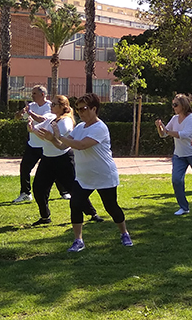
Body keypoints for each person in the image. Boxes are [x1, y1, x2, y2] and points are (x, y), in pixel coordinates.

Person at [37, 92, 133, 252]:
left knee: (111, 207)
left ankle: (124, 233)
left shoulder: (100, 127)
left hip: (103, 175)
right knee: (75, 204)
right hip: (83, 176)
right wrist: (52, 138)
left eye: (84, 109)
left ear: (94, 109)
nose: (81, 112)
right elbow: (63, 146)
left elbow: (81, 145)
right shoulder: (80, 127)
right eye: (78, 109)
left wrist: (58, 136)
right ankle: (78, 240)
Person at [27, 95, 100, 226]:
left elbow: (57, 138)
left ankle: (92, 214)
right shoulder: (51, 117)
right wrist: (32, 129)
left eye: (54, 104)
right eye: (52, 104)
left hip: (63, 159)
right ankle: (45, 217)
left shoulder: (65, 121)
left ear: (63, 107)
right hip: (47, 158)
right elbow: (40, 131)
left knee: (73, 188)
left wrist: (40, 133)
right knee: (38, 188)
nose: (51, 106)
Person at [12, 85, 70, 203]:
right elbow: (17, 118)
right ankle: (25, 193)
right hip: (33, 144)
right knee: (24, 168)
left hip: (45, 144)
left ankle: (64, 192)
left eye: (34, 94)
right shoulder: (30, 106)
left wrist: (30, 113)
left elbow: (42, 119)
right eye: (32, 93)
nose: (32, 96)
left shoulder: (50, 106)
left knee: (54, 170)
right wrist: (20, 113)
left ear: (42, 94)